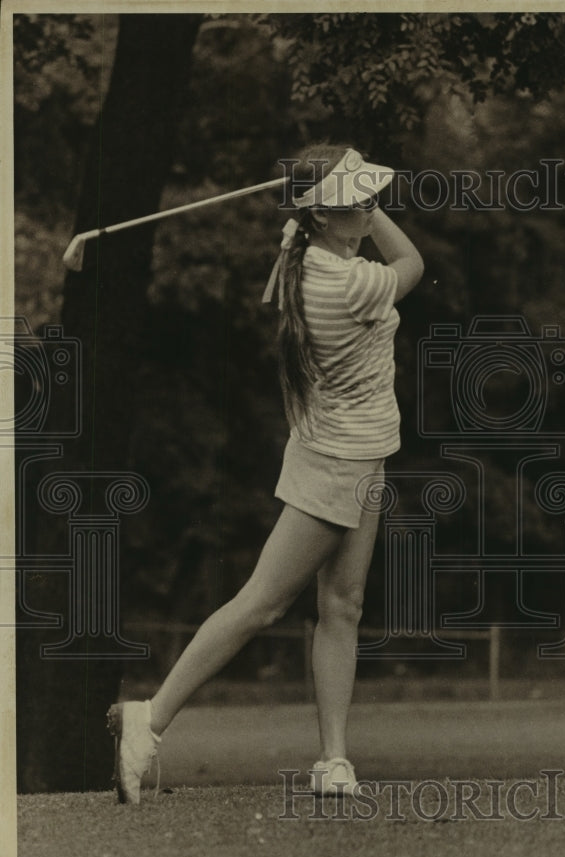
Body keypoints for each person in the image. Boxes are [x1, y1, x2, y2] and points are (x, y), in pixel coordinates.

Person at [107, 144, 424, 804]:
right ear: (323, 216)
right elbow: (412, 262)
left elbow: (334, 236)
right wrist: (369, 206)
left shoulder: (308, 255)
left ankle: (333, 759)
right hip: (341, 460)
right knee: (262, 602)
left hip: (356, 453)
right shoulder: (343, 283)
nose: (367, 205)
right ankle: (151, 718)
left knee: (343, 605)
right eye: (356, 199)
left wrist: (336, 203)